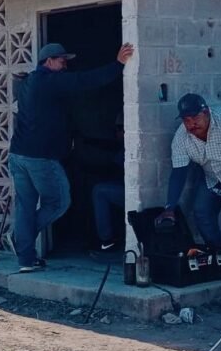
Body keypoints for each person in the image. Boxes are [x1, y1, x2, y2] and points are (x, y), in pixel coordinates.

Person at [9, 42, 134, 273]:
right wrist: (118, 64)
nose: (65, 65)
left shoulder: (28, 82)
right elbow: (85, 81)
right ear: (48, 62)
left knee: (25, 206)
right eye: (61, 60)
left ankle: (25, 258)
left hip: (17, 155)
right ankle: (21, 238)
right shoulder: (50, 81)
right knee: (59, 202)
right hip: (40, 157)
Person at [155, 94, 221, 282]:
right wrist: (169, 208)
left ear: (206, 112)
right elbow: (179, 173)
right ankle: (220, 257)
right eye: (187, 120)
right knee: (201, 212)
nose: (191, 124)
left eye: (195, 118)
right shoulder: (182, 136)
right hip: (212, 176)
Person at [92, 114, 125, 252]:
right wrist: (88, 141)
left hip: (137, 197)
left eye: (119, 128)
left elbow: (109, 170)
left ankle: (107, 240)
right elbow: (110, 145)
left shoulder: (131, 145)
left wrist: (82, 167)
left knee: (99, 191)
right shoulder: (122, 147)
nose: (116, 132)